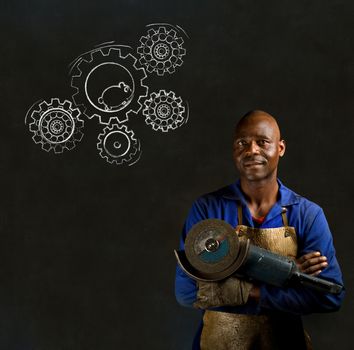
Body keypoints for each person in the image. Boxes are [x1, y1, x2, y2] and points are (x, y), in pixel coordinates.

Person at [175, 110, 345, 350]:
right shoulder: (207, 209)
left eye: (262, 142)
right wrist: (287, 275)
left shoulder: (307, 214)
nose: (251, 150)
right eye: (242, 143)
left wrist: (239, 289)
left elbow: (330, 295)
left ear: (281, 148)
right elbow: (187, 292)